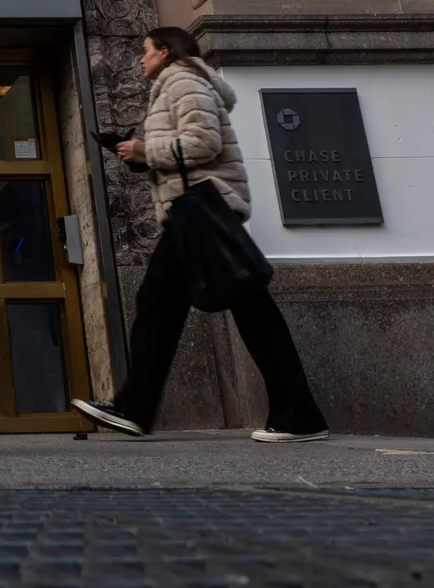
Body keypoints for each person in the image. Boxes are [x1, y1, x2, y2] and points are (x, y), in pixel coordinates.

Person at [73, 26, 329, 443]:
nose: (141, 59)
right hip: (193, 211)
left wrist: (145, 150)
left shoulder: (184, 81)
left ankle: (137, 407)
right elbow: (188, 148)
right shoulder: (176, 85)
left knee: (177, 304)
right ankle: (297, 413)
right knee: (191, 306)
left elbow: (202, 142)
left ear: (166, 52)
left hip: (199, 212)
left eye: (146, 51)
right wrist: (138, 154)